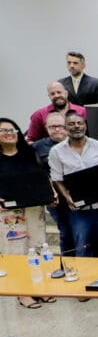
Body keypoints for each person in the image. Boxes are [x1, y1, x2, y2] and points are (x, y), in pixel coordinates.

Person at [48, 111, 98, 259]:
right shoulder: (56, 151)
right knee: (83, 249)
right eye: (71, 124)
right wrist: (67, 196)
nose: (76, 126)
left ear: (85, 126)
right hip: (78, 210)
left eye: (79, 123)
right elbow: (57, 178)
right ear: (65, 127)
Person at [0, 118, 56, 309]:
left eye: (12, 129)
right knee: (16, 251)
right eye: (3, 130)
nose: (8, 133)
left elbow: (43, 176)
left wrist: (52, 193)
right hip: (9, 214)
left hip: (34, 208)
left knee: (39, 247)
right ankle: (23, 292)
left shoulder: (30, 153)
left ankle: (41, 288)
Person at [32, 112, 73, 254]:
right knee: (66, 232)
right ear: (46, 127)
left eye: (60, 126)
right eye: (53, 126)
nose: (57, 130)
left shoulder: (76, 143)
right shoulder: (37, 147)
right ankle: (68, 264)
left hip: (77, 194)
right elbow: (36, 174)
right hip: (55, 199)